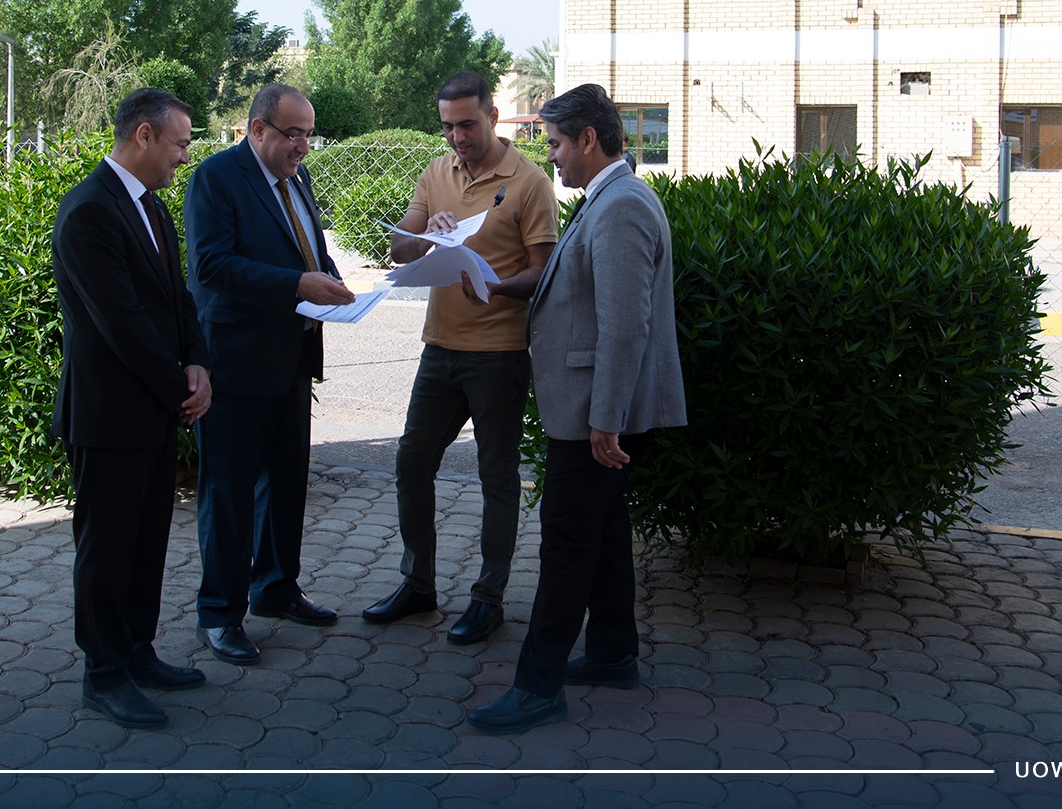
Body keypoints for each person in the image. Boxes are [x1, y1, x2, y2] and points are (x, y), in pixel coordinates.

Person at [466, 83, 688, 734]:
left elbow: (624, 327)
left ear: (589, 139)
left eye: (558, 143)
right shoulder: (611, 198)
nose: (552, 155)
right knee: (604, 529)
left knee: (566, 544)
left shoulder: (621, 207)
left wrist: (604, 420)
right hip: (594, 409)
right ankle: (614, 652)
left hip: (595, 414)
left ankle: (537, 686)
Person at [362, 71, 557, 646]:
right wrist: (429, 235)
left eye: (467, 124)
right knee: (411, 461)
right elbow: (398, 247)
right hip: (439, 348)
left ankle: (488, 598)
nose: (457, 137)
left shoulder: (529, 182)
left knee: (496, 476)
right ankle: (417, 584)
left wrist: (495, 287)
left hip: (499, 355)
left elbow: (544, 271)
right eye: (447, 126)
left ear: (493, 116)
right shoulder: (436, 172)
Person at [52, 88, 213, 730]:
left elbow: (177, 298)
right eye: (179, 143)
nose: (183, 156)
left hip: (154, 407)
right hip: (109, 414)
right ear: (143, 136)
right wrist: (181, 387)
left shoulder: (150, 206)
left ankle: (138, 651)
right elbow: (119, 321)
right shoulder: (90, 210)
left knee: (146, 542)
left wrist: (197, 363)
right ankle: (104, 673)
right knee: (108, 547)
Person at [183, 83, 353, 665]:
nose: (303, 146)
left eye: (309, 135)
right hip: (235, 364)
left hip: (292, 361)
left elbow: (309, 251)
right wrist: (297, 285)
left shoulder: (295, 178)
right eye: (293, 134)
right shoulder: (216, 178)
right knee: (228, 493)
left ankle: (276, 589)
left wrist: (333, 281)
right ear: (257, 129)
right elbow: (211, 265)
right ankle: (219, 614)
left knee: (285, 485)